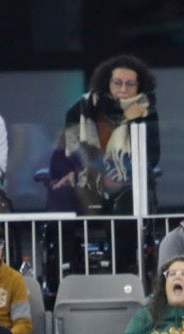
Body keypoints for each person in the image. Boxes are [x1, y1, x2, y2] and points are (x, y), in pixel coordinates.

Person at [56, 56, 159, 215]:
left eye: (130, 84)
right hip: (88, 178)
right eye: (117, 83)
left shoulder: (144, 111)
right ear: (107, 83)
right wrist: (99, 177)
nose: (123, 89)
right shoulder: (83, 108)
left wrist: (122, 178)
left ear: (139, 86)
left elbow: (152, 155)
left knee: (126, 202)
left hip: (129, 181)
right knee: (63, 195)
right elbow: (70, 153)